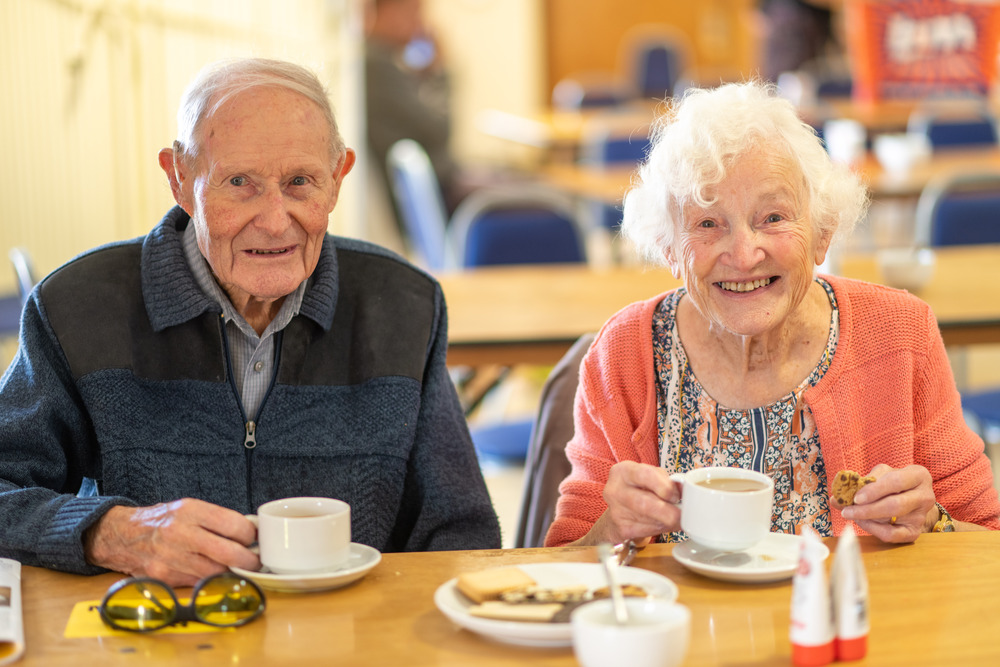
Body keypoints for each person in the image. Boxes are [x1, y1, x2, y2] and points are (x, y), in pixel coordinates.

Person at [0, 57, 501, 585]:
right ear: (179, 178)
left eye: (300, 181)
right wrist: (111, 532)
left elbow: (461, 532)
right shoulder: (80, 306)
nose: (274, 219)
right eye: (239, 182)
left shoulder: (402, 305)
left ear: (337, 179)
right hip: (160, 638)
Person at [545, 81, 1000, 549]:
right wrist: (611, 532)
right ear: (669, 251)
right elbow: (564, 563)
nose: (744, 255)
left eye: (773, 218)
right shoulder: (623, 354)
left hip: (860, 623)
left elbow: (987, 542)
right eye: (707, 223)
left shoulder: (902, 335)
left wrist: (932, 521)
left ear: (823, 232)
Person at [365, 0, 457, 216]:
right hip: (436, 190)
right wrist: (438, 73)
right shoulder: (377, 66)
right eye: (414, 13)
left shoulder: (384, 61)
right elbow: (440, 130)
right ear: (390, 11)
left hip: (436, 185)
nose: (419, 25)